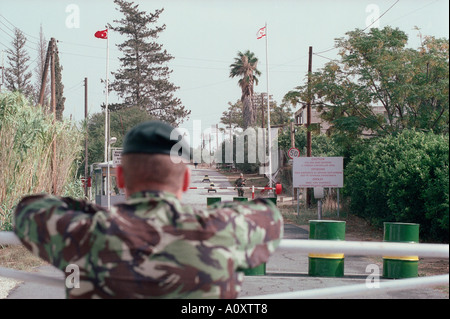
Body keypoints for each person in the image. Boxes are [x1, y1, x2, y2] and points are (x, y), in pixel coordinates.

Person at [13, 120, 283, 299]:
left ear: (120, 177)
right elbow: (269, 216)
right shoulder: (223, 230)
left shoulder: (85, 233)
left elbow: (30, 209)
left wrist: (94, 212)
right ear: (187, 180)